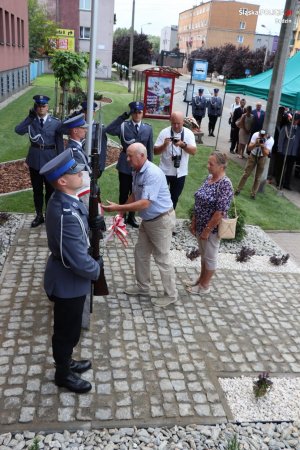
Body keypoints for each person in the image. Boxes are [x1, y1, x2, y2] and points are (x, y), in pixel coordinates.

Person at [39, 149, 101, 393]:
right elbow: (77, 260)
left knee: (71, 329)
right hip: (68, 282)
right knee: (66, 332)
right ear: (63, 181)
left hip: (69, 278)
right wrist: (97, 271)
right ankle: (62, 374)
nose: (81, 173)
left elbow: (80, 222)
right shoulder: (64, 212)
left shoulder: (67, 200)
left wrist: (94, 223)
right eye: (74, 172)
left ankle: (67, 362)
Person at [102, 143, 177, 308]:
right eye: (127, 155)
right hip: (149, 221)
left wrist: (118, 207)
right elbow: (135, 194)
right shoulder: (137, 170)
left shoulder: (152, 174)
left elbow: (144, 203)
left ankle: (171, 295)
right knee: (141, 253)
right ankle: (143, 287)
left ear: (142, 156)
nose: (127, 159)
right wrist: (121, 213)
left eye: (130, 156)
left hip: (160, 221)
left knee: (162, 258)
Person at [186, 152, 233, 294]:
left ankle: (204, 286)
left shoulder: (225, 184)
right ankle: (200, 279)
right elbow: (199, 200)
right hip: (201, 224)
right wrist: (194, 221)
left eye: (211, 164)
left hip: (211, 229)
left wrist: (207, 230)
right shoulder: (209, 178)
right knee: (204, 254)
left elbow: (220, 212)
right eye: (208, 163)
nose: (208, 166)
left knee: (210, 257)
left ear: (221, 166)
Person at [15, 95, 64, 227]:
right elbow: (18, 130)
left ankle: (49, 215)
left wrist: (60, 162)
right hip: (35, 160)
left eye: (43, 106)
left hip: (51, 160)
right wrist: (30, 117)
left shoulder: (55, 122)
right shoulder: (31, 121)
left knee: (50, 191)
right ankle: (39, 215)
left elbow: (59, 143)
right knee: (37, 190)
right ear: (35, 107)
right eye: (38, 106)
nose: (41, 108)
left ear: (47, 107)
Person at [105, 101, 153, 228]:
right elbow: (108, 129)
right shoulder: (123, 126)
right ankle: (122, 216)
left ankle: (132, 217)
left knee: (137, 192)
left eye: (139, 112)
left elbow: (149, 150)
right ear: (131, 113)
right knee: (124, 191)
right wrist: (123, 116)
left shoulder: (148, 128)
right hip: (126, 164)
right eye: (134, 112)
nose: (137, 115)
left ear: (143, 113)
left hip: (141, 166)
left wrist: (149, 167)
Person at [154, 111, 197, 209]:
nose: (176, 126)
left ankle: (170, 218)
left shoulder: (189, 133)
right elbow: (155, 151)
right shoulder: (164, 132)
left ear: (183, 122)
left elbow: (194, 151)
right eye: (174, 123)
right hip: (165, 171)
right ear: (170, 121)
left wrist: (183, 145)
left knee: (174, 197)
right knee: (160, 197)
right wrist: (164, 145)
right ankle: (159, 217)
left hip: (180, 172)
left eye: (178, 123)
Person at [61, 113, 91, 207]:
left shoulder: (77, 146)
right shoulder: (73, 150)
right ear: (75, 130)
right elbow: (75, 171)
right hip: (81, 187)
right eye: (83, 128)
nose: (86, 130)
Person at [235, 130, 274, 199]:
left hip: (262, 157)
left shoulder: (270, 140)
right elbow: (249, 148)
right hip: (253, 155)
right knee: (246, 174)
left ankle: (253, 194)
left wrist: (262, 146)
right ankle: (238, 189)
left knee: (258, 177)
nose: (260, 137)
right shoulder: (255, 134)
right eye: (260, 135)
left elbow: (266, 153)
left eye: (262, 136)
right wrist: (255, 144)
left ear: (266, 135)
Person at [80, 101, 108, 179]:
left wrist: (100, 168)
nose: (88, 114)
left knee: (92, 189)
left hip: (92, 165)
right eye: (86, 111)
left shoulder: (99, 128)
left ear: (94, 113)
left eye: (90, 111)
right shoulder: (77, 127)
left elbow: (102, 148)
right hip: (79, 165)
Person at [275, 113, 300, 190]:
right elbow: (281, 140)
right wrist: (279, 150)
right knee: (281, 168)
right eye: (294, 120)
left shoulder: (299, 129)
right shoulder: (286, 127)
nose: (295, 121)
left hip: (293, 153)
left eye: (296, 120)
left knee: (289, 169)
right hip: (284, 151)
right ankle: (279, 182)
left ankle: (286, 184)